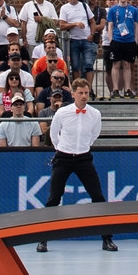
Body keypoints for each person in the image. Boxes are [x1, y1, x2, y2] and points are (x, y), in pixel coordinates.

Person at [36, 79, 114, 253]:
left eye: (86, 93)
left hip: (83, 158)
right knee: (54, 198)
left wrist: (81, 148)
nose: (84, 96)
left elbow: (94, 135)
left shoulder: (95, 114)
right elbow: (53, 134)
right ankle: (42, 239)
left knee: (98, 197)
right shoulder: (63, 112)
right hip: (63, 157)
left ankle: (107, 239)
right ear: (73, 94)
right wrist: (63, 148)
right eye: (80, 93)